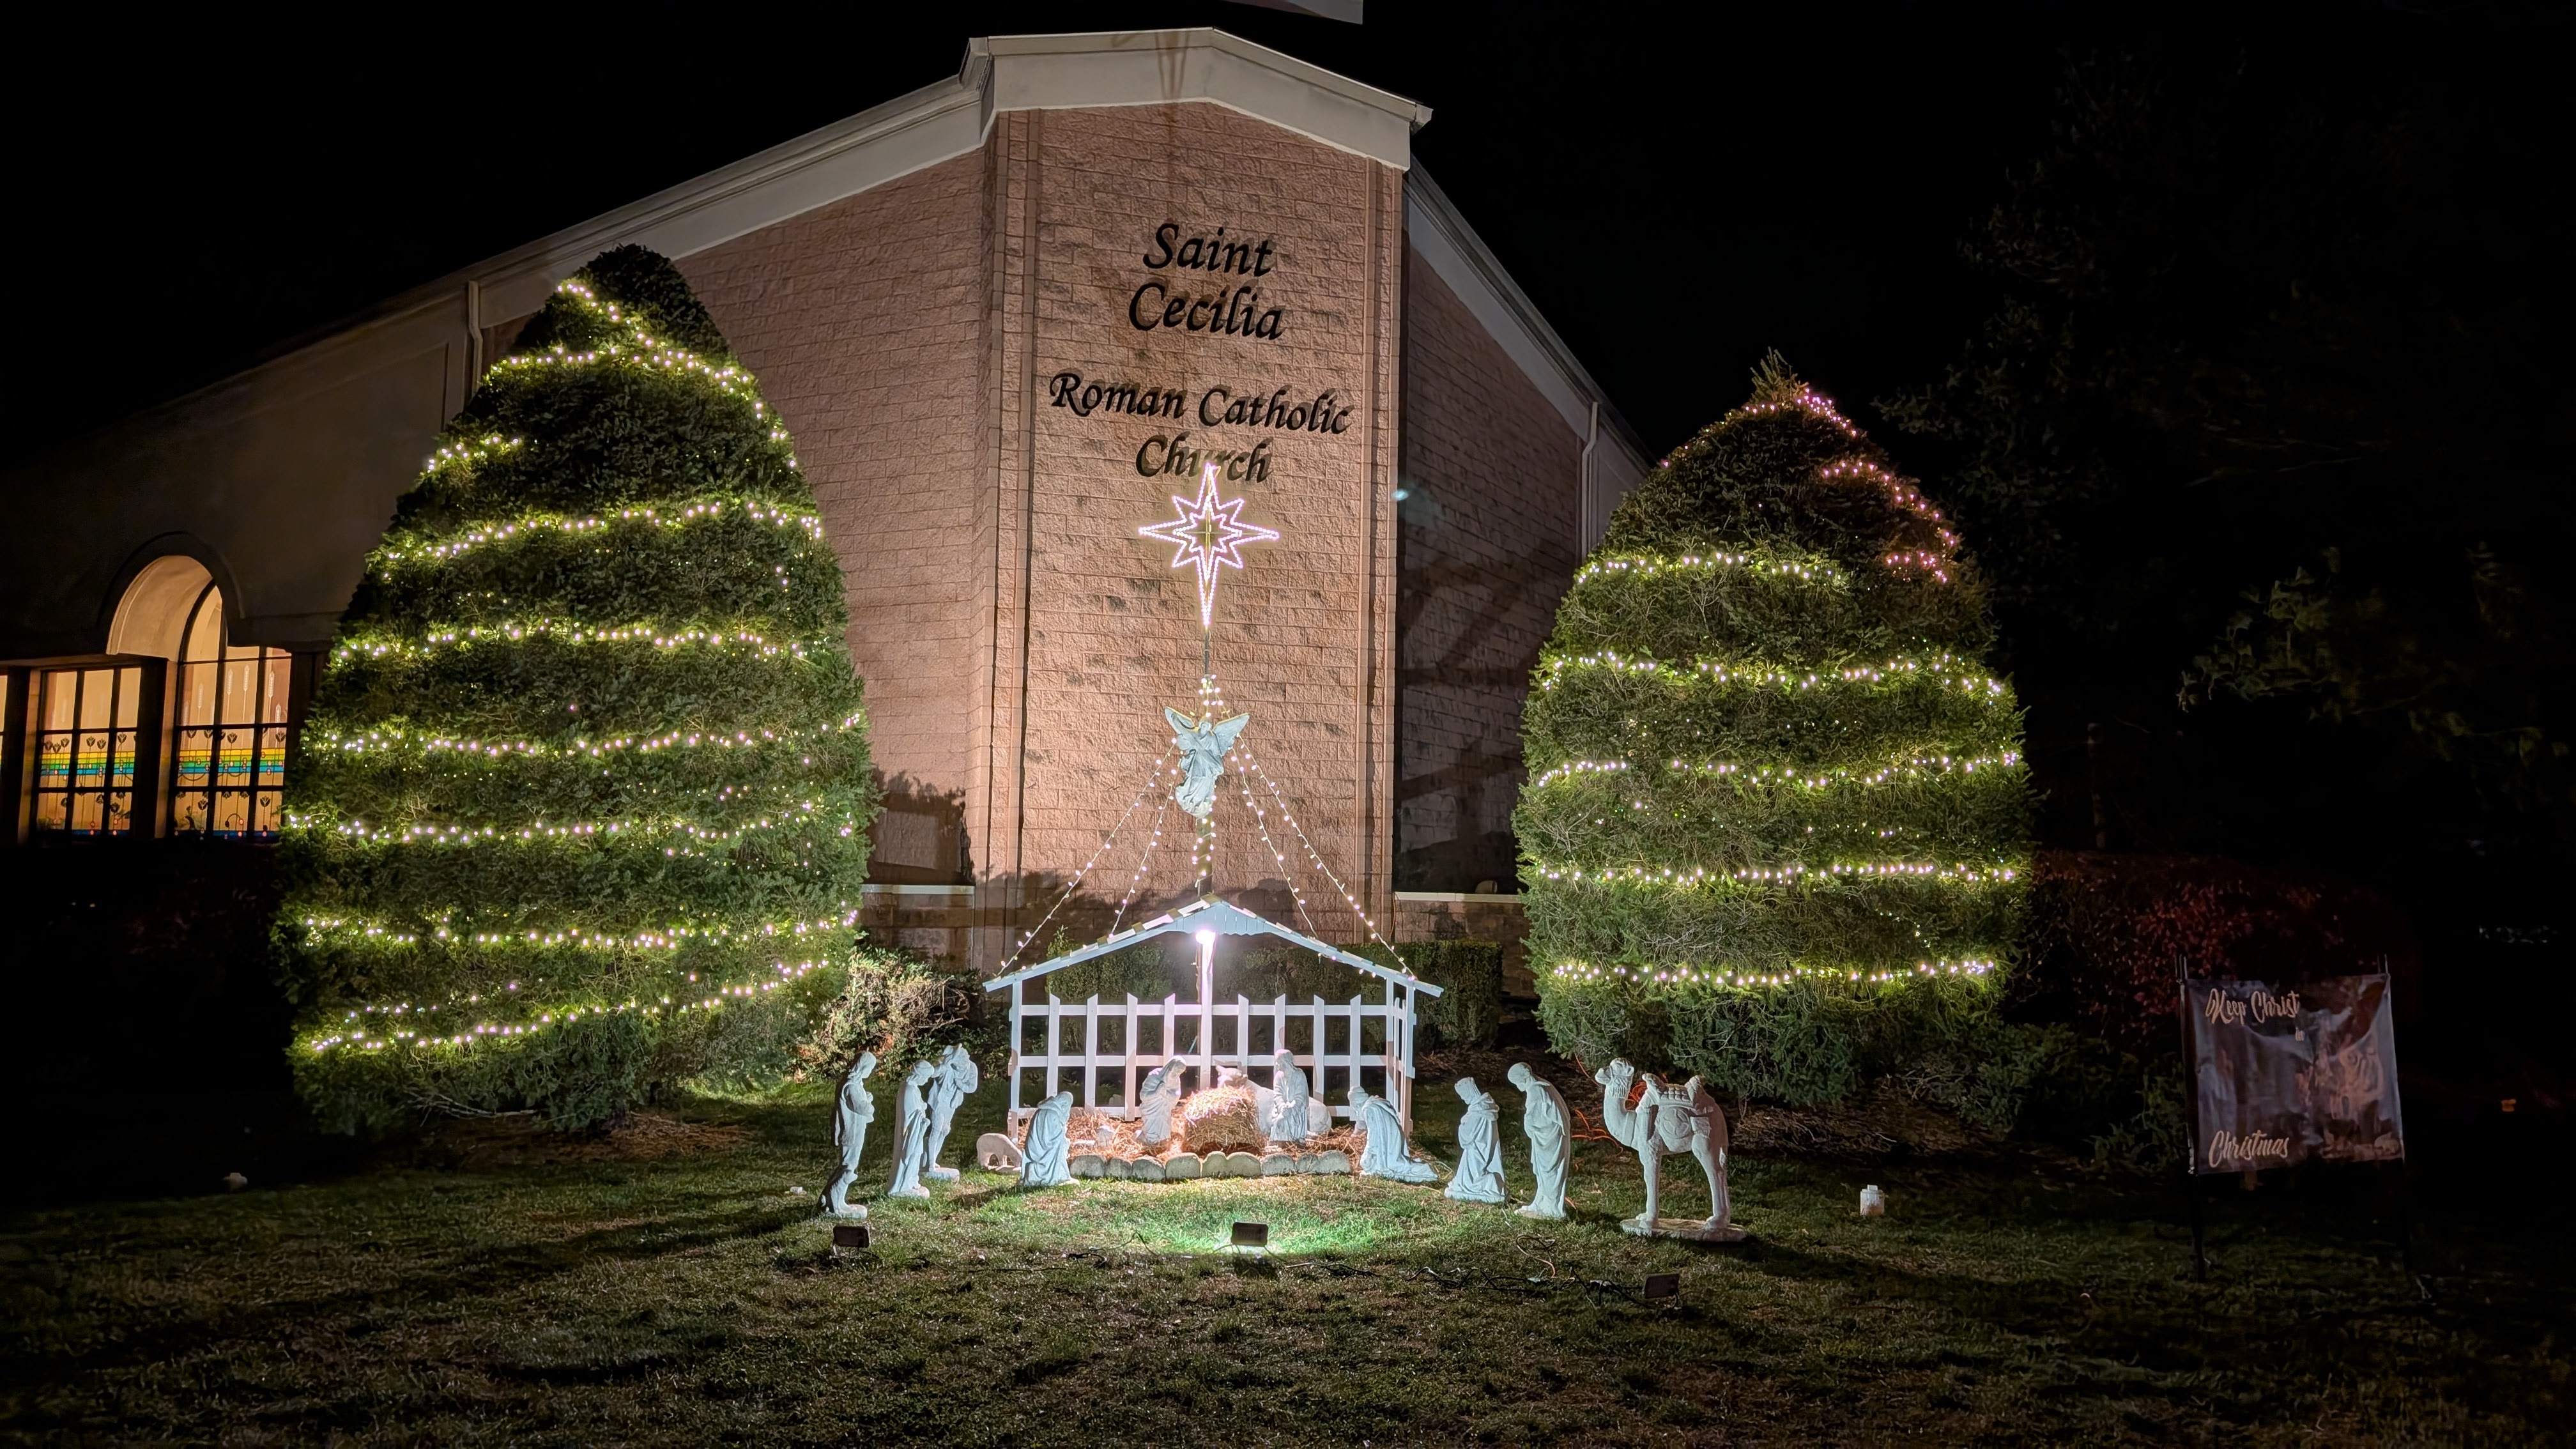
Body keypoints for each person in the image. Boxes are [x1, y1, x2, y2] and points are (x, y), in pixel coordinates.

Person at [1507, 1062, 1570, 1219]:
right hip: (1546, 1135)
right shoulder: (1543, 1086)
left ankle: (1552, 1209)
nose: (1517, 1087)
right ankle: (1540, 1202)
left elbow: (1534, 1118)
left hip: (1549, 1137)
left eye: (1517, 1083)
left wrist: (1528, 1123)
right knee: (1542, 1171)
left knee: (1549, 1171)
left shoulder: (1536, 1090)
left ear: (1523, 1079)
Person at [824, 1051, 877, 1217]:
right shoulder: (851, 1086)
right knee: (848, 1167)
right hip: (851, 1132)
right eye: (870, 1069)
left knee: (847, 1165)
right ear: (863, 1067)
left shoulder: (854, 1084)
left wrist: (866, 1098)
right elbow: (863, 1108)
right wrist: (869, 1103)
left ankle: (836, 1200)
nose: (871, 1072)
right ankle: (834, 1204)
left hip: (854, 1130)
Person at [1350, 1084, 1438, 1183]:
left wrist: (1368, 1153)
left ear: (1357, 1104)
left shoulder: (1368, 1110)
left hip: (1388, 1141)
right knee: (1394, 1162)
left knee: (1394, 1165)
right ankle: (1417, 1168)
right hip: (1392, 1136)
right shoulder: (1373, 1104)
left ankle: (1422, 1170)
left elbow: (1373, 1135)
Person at [1445, 1077, 1506, 1204]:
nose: (1463, 1099)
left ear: (1469, 1092)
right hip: (1485, 1146)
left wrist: (1462, 1124)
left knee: (1473, 1176)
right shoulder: (1486, 1107)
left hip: (1476, 1148)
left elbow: (1466, 1136)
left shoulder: (1477, 1111)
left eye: (1464, 1096)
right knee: (1471, 1173)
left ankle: (1489, 1183)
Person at [922, 1044, 979, 1182]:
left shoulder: (971, 1068)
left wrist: (960, 1085)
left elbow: (972, 1087)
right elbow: (933, 1073)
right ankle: (930, 1164)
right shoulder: (945, 1063)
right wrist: (945, 1064)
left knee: (945, 1130)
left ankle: (932, 1158)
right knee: (936, 1129)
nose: (961, 1065)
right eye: (957, 1061)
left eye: (963, 1060)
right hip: (938, 1100)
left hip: (952, 1102)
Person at [885, 1059, 938, 1199]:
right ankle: (903, 1186)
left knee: (917, 1154)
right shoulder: (909, 1089)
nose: (926, 1081)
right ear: (920, 1075)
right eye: (926, 1077)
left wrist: (922, 1108)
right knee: (910, 1154)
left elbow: (917, 1107)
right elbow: (909, 1113)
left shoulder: (913, 1088)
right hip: (910, 1131)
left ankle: (912, 1181)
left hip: (917, 1130)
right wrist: (921, 1118)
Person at [1021, 1091, 1075, 1188]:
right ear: (1064, 1103)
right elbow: (1054, 1139)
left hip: (1035, 1148)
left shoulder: (1041, 1111)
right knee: (1058, 1149)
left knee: (1061, 1147)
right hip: (1046, 1150)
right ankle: (1051, 1176)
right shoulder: (1053, 1114)